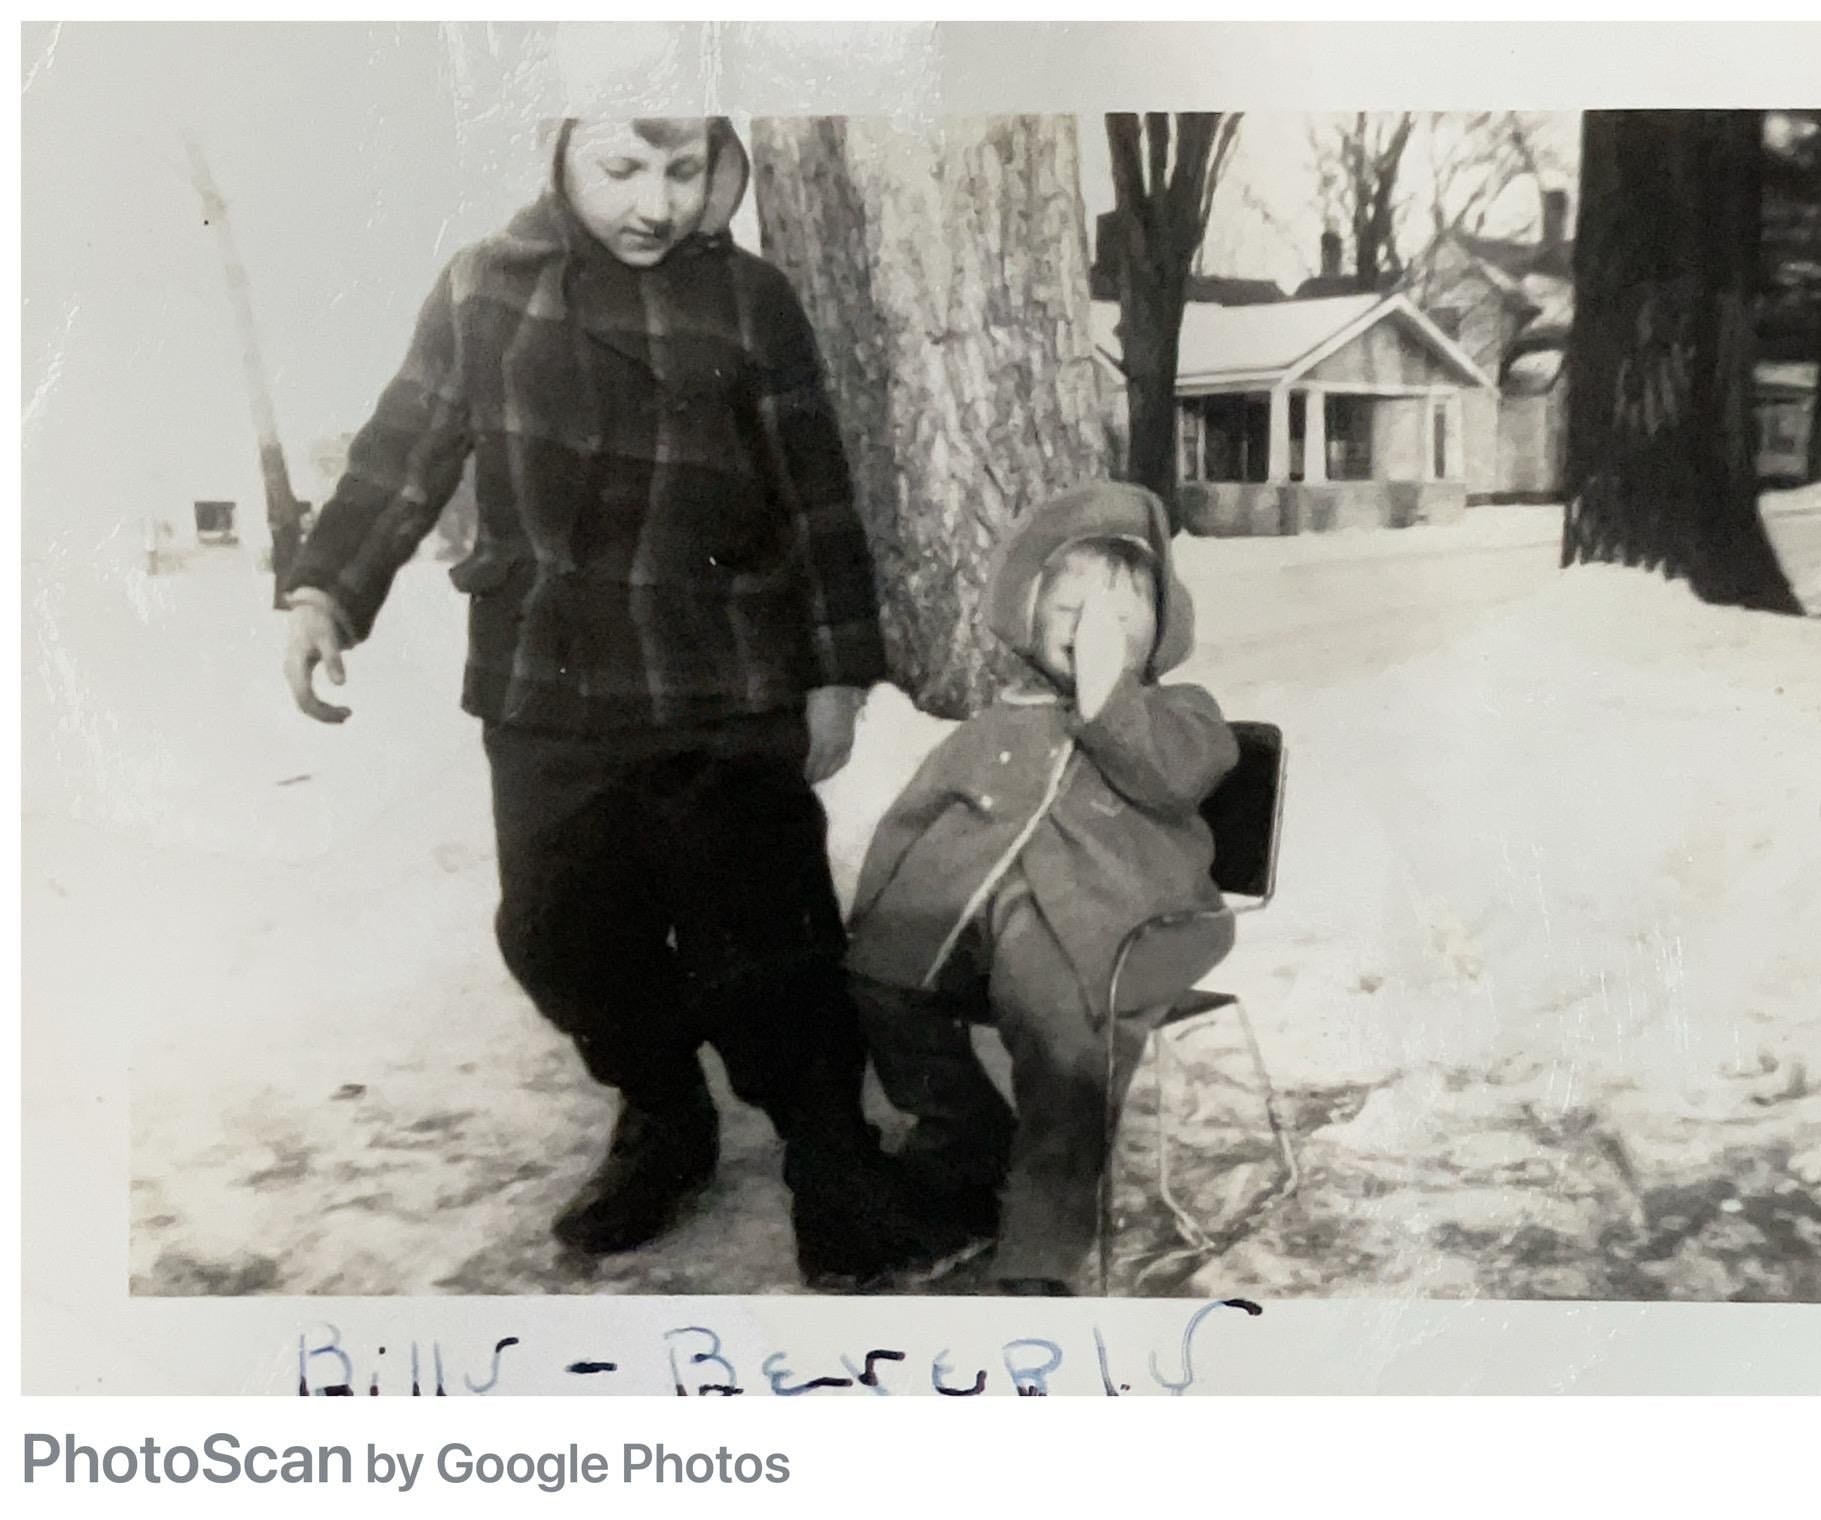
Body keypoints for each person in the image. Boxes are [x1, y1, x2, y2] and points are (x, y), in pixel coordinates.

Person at [281, 116, 965, 1287]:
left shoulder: (750, 300)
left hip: (726, 678)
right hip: (547, 684)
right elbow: (402, 452)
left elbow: (815, 493)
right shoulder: (483, 289)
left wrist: (836, 671)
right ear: (557, 152)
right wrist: (323, 593)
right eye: (622, 169)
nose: (656, 203)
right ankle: (661, 1108)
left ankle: (833, 1165)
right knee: (559, 935)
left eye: (684, 170)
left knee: (772, 948)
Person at [846, 481, 1240, 1294]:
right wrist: (883, 911)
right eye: (1071, 611)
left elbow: (1169, 777)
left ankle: (1045, 1234)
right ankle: (965, 1136)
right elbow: (916, 818)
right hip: (984, 917)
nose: (1095, 632)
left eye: (1122, 616)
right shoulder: (997, 723)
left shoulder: (1183, 715)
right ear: (1028, 618)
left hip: (1126, 925)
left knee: (1066, 1045)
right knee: (878, 979)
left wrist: (1108, 697)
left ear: (1163, 628)